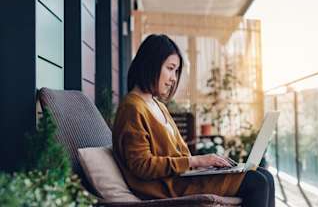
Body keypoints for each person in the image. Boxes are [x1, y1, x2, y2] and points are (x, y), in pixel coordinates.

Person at [112, 34, 275, 207]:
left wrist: (204, 166)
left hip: (182, 178)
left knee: (265, 176)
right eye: (170, 68)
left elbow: (180, 155)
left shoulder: (157, 105)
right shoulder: (132, 108)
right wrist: (196, 161)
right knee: (257, 182)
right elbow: (142, 165)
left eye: (176, 71)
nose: (174, 78)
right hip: (166, 187)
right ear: (151, 64)